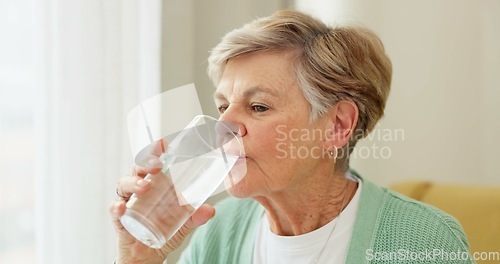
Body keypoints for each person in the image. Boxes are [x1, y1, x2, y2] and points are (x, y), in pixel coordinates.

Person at [110, 10, 472, 264]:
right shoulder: (218, 231)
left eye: (258, 107)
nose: (224, 127)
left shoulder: (423, 241)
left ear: (338, 126)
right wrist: (138, 260)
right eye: (222, 107)